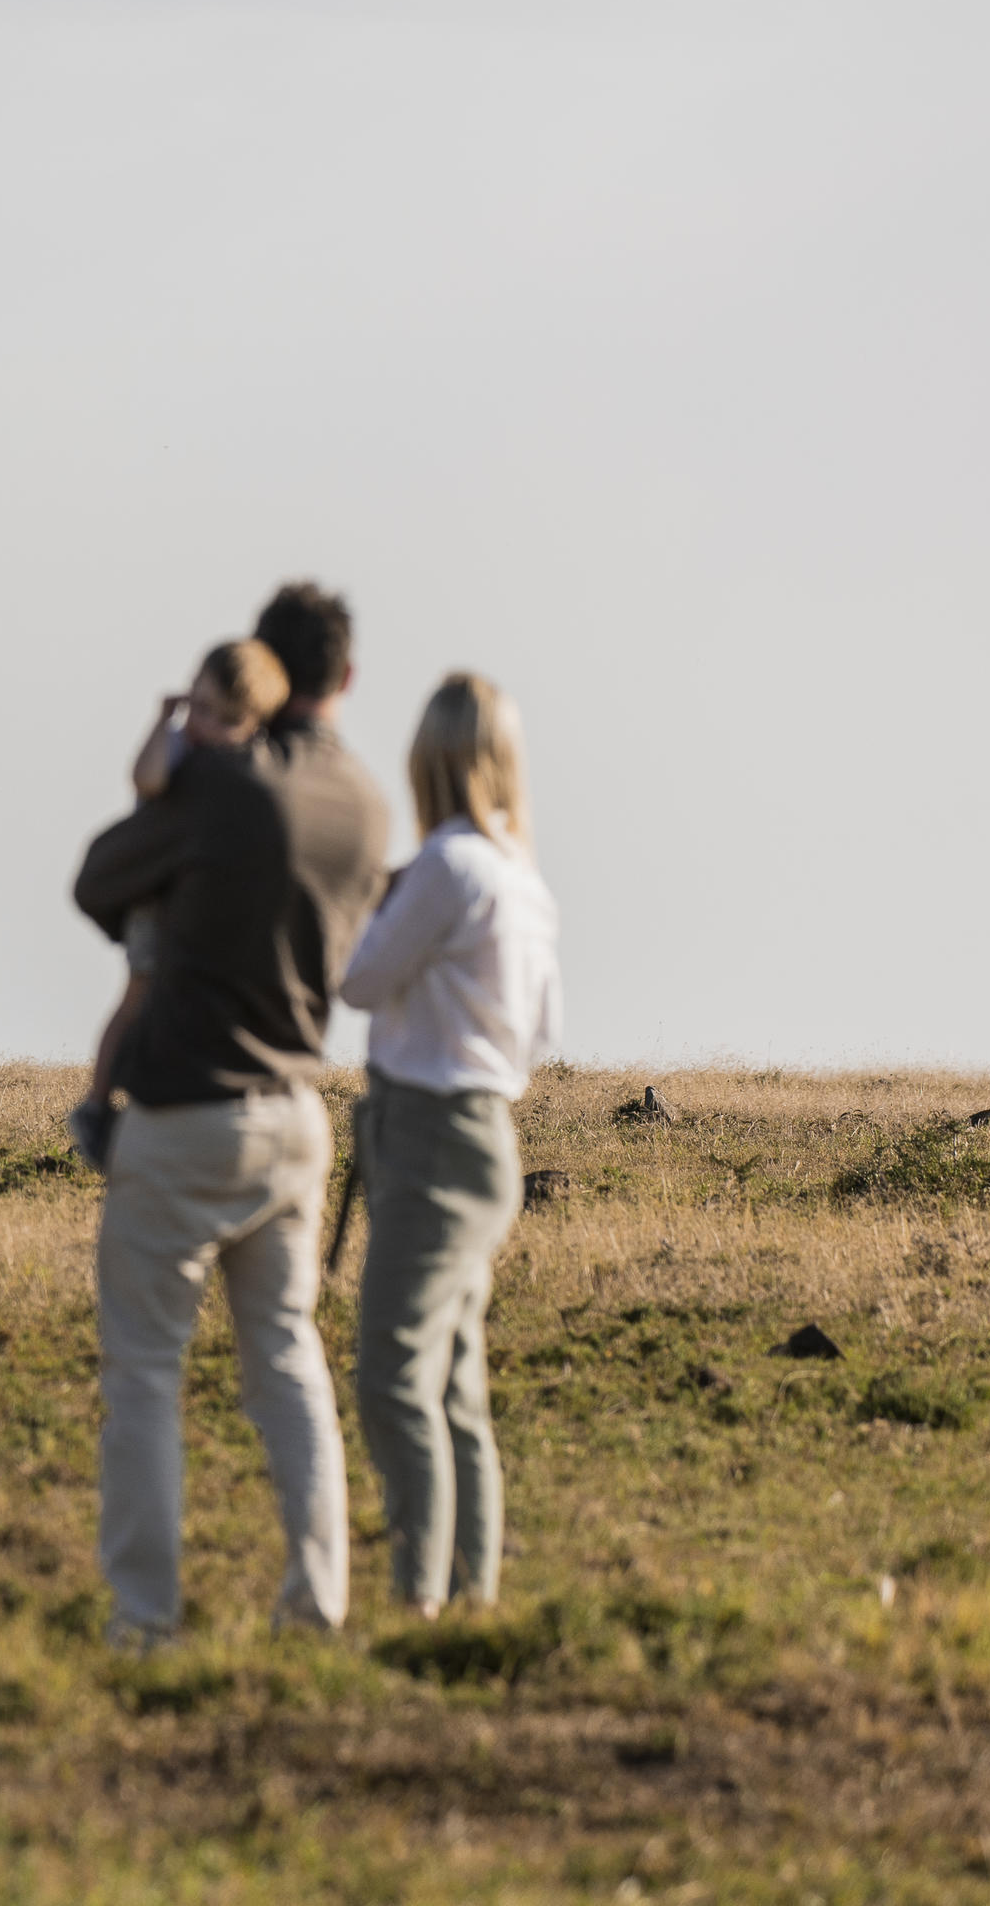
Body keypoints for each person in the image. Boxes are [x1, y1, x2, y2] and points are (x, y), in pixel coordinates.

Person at [71, 581, 387, 1645]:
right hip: (298, 1113)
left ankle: (146, 1621)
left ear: (266, 669)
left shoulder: (227, 785)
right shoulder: (369, 806)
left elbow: (98, 879)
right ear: (346, 678)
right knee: (289, 1360)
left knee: (148, 1375)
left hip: (186, 1112)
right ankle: (319, 1601)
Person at [337, 673, 561, 1618]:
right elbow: (542, 1030)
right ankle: (470, 1597)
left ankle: (417, 1598)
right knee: (457, 1386)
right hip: (488, 1135)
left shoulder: (443, 867)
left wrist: (378, 909)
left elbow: (358, 981)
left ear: (427, 765)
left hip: (425, 1132)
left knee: (392, 1376)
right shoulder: (521, 878)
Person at [69, 639, 292, 1172]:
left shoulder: (251, 764)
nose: (206, 725)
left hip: (201, 901)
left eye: (224, 718)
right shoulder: (181, 748)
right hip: (159, 898)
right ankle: (97, 1103)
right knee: (139, 992)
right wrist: (162, 724)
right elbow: (145, 779)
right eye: (201, 708)